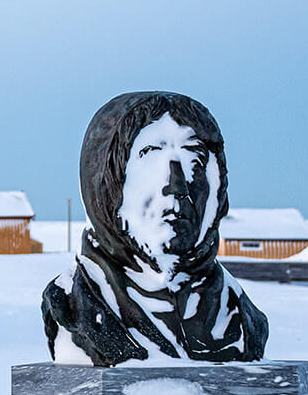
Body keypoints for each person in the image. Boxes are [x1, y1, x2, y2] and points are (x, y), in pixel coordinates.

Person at [42, 90, 268, 366]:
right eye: (149, 153)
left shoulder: (241, 318)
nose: (176, 185)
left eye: (194, 155)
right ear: (104, 182)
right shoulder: (73, 305)